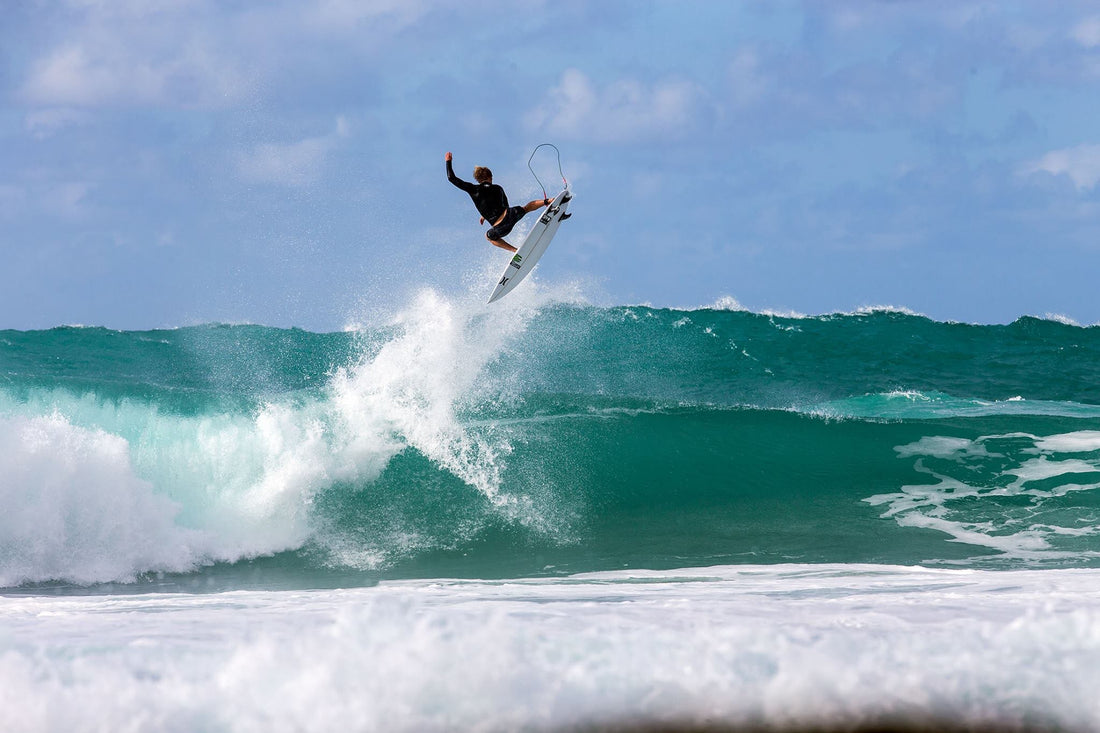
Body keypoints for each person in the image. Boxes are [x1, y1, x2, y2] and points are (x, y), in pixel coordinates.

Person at [445, 151, 550, 252]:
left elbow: (451, 178)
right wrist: (485, 216)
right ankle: (547, 201)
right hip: (512, 214)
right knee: (526, 208)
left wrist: (448, 161)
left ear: (478, 179)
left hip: (501, 227)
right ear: (490, 177)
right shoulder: (498, 188)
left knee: (489, 237)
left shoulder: (473, 189)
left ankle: (515, 250)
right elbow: (505, 205)